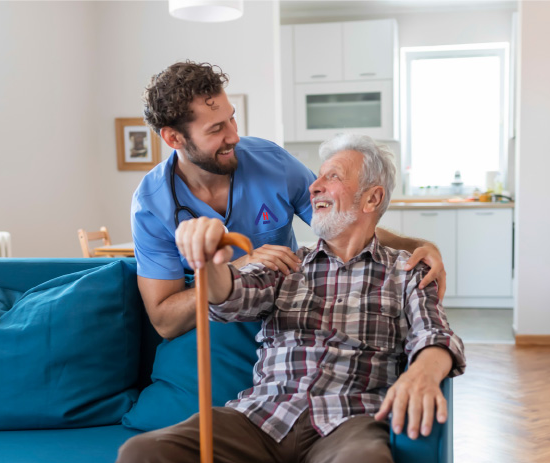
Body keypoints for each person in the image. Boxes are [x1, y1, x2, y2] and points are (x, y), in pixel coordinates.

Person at [106, 133, 466, 463]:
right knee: (142, 458)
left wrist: (422, 372)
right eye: (317, 176)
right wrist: (209, 260)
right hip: (260, 418)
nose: (314, 186)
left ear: (372, 197)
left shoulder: (405, 271)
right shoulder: (284, 266)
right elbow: (227, 294)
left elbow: (434, 334)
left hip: (348, 421)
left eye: (332, 176)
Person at [131, 60, 447, 339]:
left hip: (280, 315)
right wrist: (236, 268)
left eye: (232, 119)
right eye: (216, 129)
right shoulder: (152, 205)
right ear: (174, 138)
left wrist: (413, 246)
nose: (234, 136)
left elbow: (346, 226)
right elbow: (165, 322)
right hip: (205, 329)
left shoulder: (272, 162)